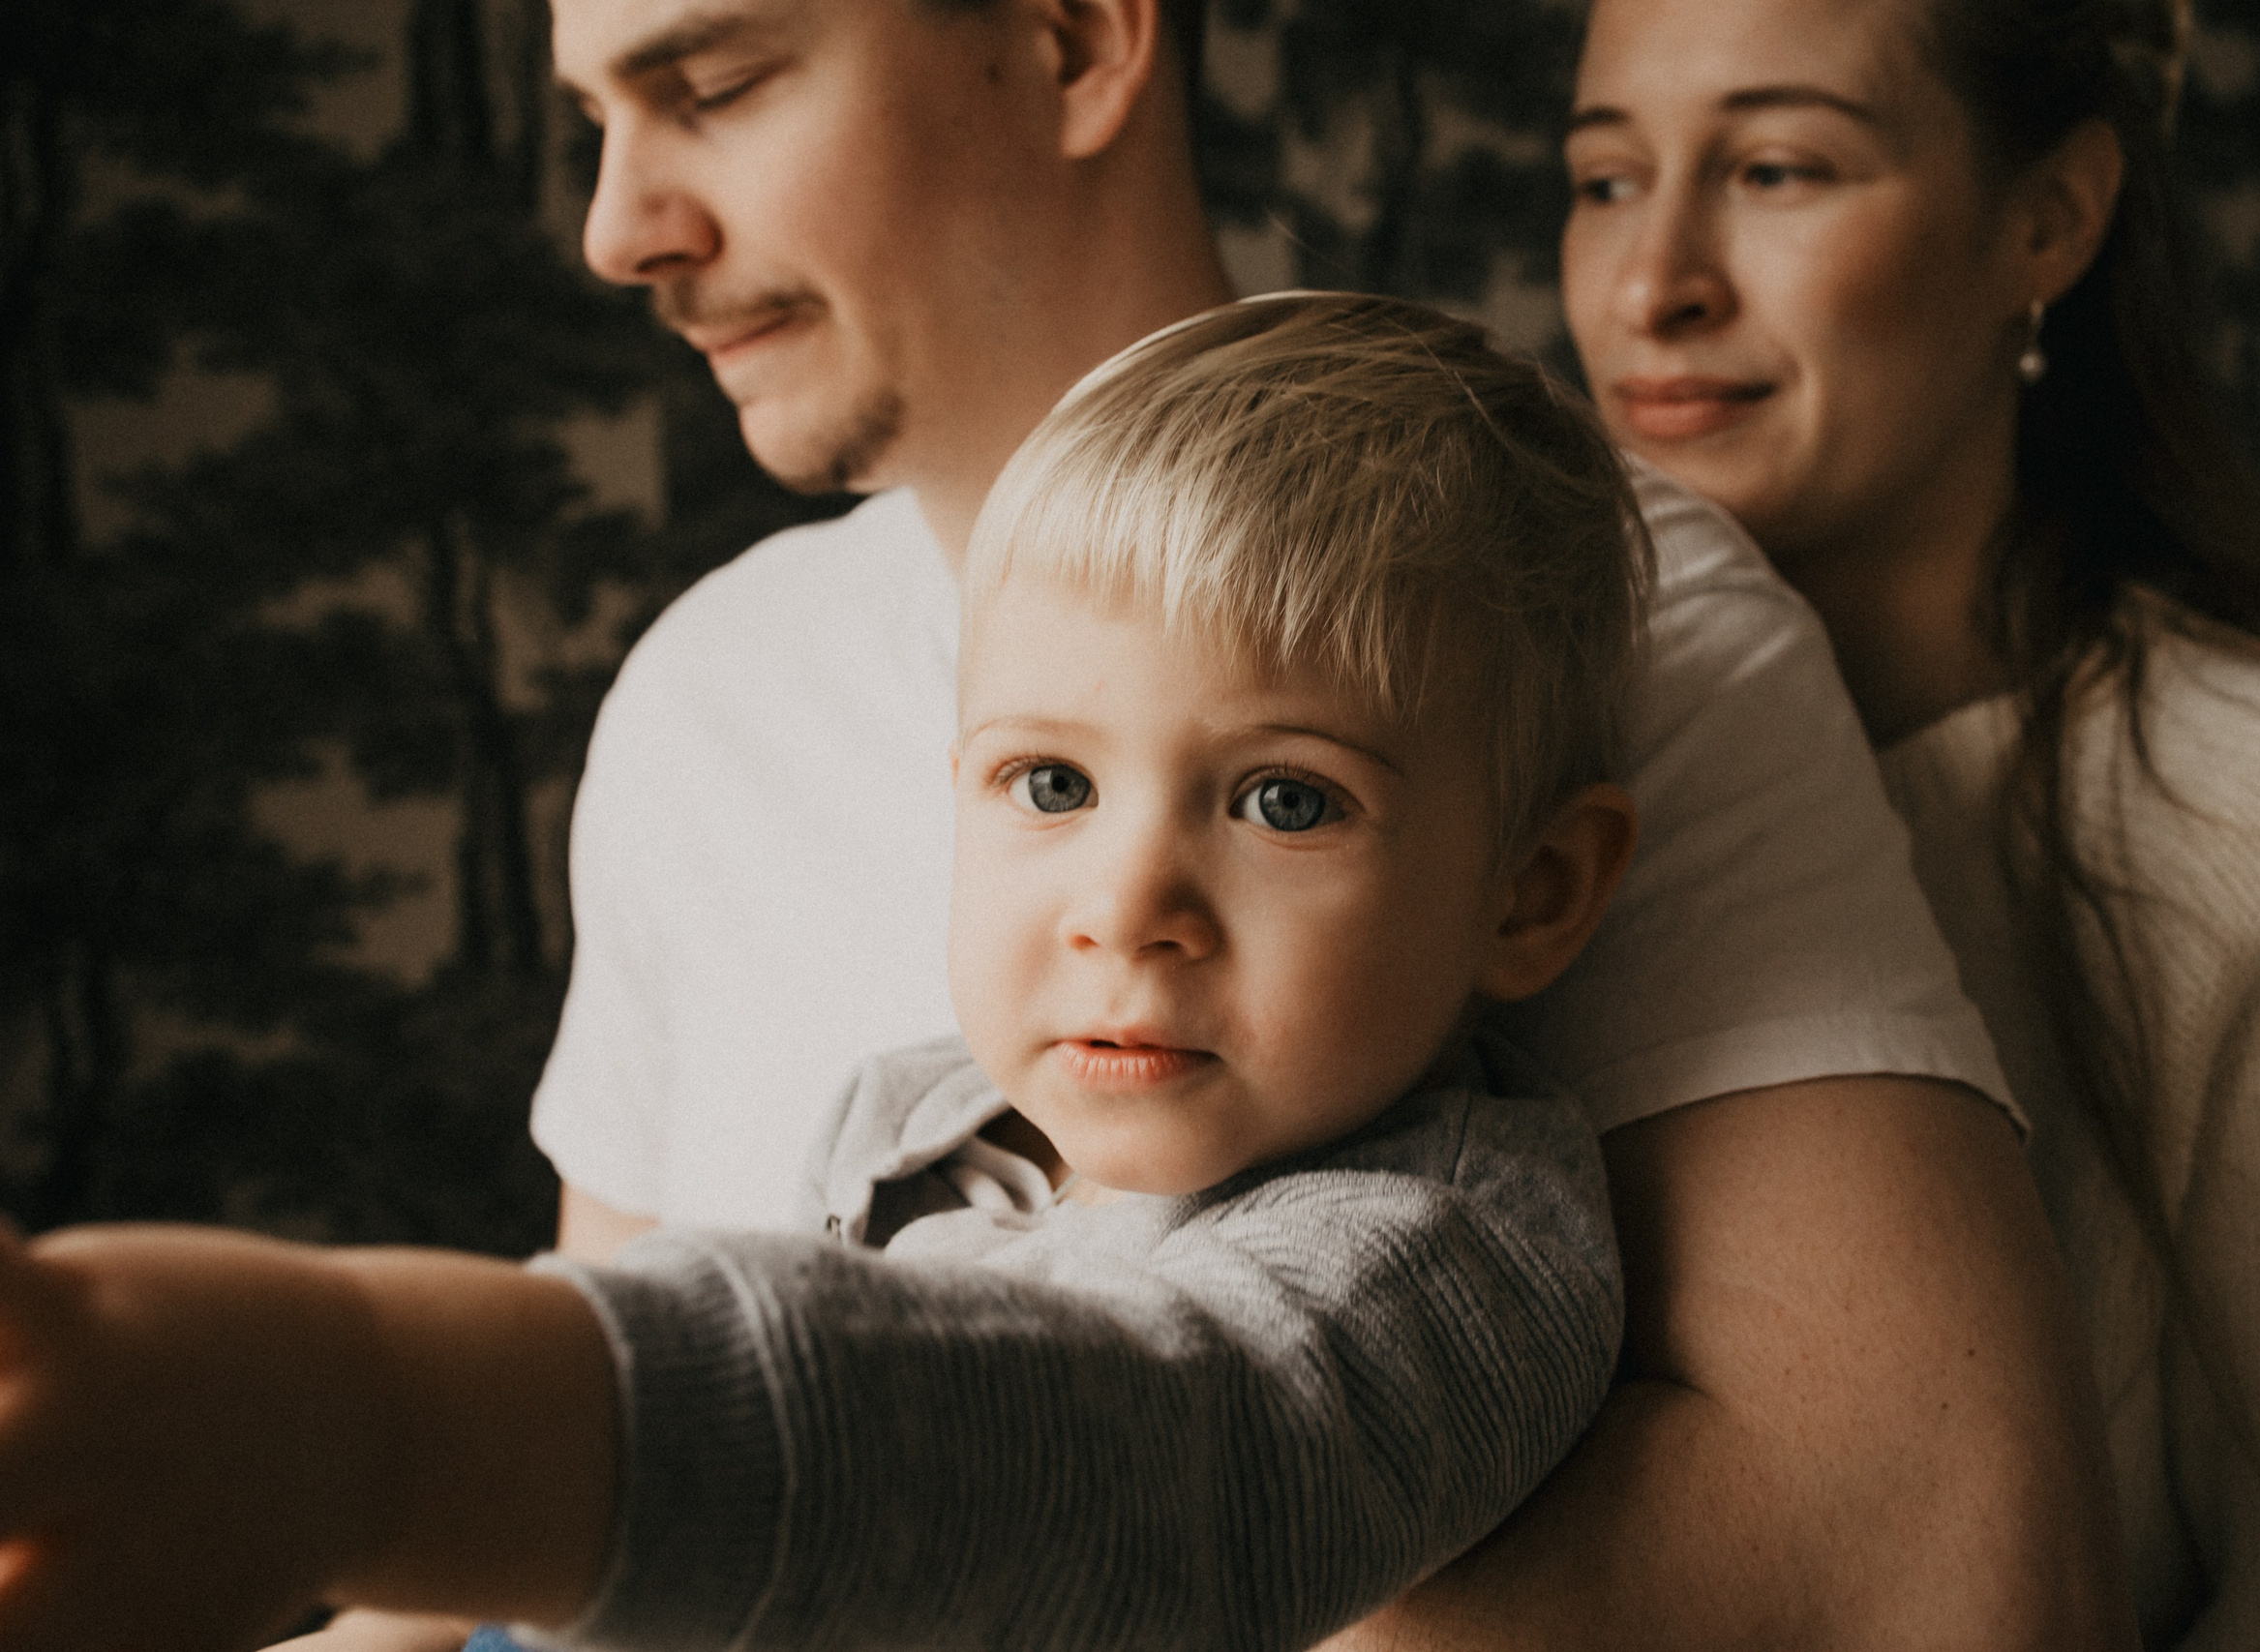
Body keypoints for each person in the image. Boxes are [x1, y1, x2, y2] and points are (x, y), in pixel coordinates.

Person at [321, 0, 2124, 1643]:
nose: (615, 229)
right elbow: (563, 1459)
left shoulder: (1563, 621)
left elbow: (1956, 1570)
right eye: (1042, 785)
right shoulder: (709, 700)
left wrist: (373, 1418)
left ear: (1072, 40)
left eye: (714, 87)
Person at [0, 291, 1661, 1652]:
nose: (1126, 904)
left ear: (1531, 892)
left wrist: (385, 1423)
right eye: (1051, 783)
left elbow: (1136, 1472)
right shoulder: (915, 1115)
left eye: (1286, 801)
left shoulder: (1446, 1248)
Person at [1556, 0, 2260, 1645]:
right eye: (1606, 180)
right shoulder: (1516, 790)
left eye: (1776, 169)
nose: (1651, 285)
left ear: (2050, 218)